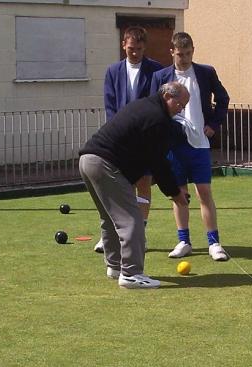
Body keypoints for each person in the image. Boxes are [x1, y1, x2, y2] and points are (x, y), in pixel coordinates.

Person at [79, 82, 190, 289]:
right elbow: (158, 163)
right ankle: (131, 273)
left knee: (109, 217)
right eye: (179, 103)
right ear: (167, 95)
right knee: (131, 219)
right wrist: (175, 193)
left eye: (184, 105)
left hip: (88, 160)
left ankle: (115, 267)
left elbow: (145, 156)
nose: (181, 109)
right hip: (105, 163)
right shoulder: (158, 119)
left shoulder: (146, 107)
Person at [150, 32, 230, 261]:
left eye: (187, 53)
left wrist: (214, 123)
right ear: (171, 52)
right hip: (173, 146)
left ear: (193, 50)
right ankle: (184, 241)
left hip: (200, 144)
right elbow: (154, 107)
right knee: (179, 194)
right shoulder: (160, 77)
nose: (183, 58)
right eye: (179, 54)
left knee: (204, 192)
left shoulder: (206, 72)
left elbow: (223, 99)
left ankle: (214, 243)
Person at [94, 26, 164, 253]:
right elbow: (110, 105)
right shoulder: (113, 71)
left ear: (145, 48)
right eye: (131, 49)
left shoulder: (156, 71)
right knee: (117, 188)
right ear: (123, 45)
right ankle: (111, 236)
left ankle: (139, 234)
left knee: (143, 184)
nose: (135, 53)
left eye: (139, 49)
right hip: (120, 141)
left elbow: (157, 105)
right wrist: (120, 132)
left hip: (144, 140)